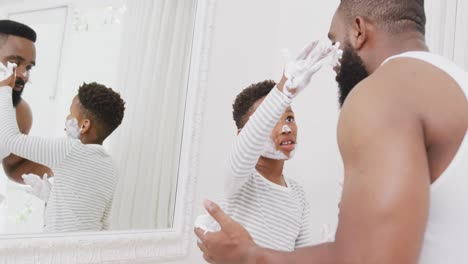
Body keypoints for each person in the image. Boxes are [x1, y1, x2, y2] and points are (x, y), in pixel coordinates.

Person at [195, 0, 468, 263]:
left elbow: (371, 258)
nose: (334, 65)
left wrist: (249, 257)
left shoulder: (380, 95)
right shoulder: (455, 83)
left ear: (359, 31)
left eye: (335, 42)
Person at [0, 72, 126, 232]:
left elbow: (10, 140)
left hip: (57, 252)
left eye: (70, 112)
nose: (67, 117)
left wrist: (4, 89)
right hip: (86, 252)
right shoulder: (111, 167)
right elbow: (101, 223)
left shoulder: (69, 149)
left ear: (84, 126)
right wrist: (50, 197)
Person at [0, 20, 52, 183]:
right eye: (15, 62)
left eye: (29, 67)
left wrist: (63, 164)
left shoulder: (20, 112)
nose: (23, 74)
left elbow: (15, 167)